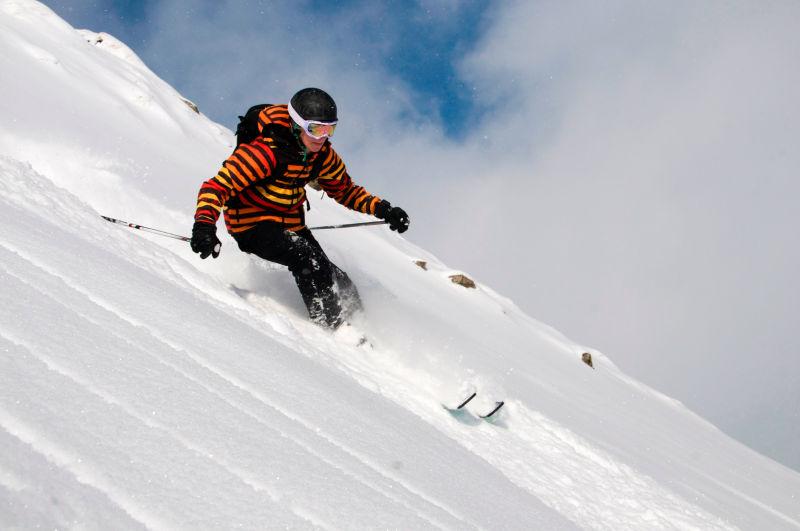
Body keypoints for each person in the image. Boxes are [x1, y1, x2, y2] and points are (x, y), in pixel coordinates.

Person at [190, 88, 410, 329]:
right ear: (297, 125)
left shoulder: (323, 156)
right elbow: (217, 187)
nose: (322, 137)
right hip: (251, 224)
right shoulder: (266, 152)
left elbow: (345, 191)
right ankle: (333, 330)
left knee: (340, 279)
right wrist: (204, 225)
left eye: (329, 129)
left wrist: (384, 210)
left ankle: (361, 330)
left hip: (290, 223)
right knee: (307, 259)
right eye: (315, 129)